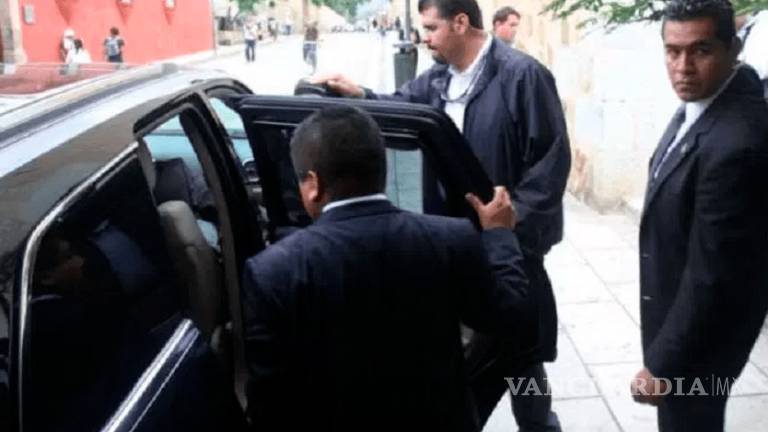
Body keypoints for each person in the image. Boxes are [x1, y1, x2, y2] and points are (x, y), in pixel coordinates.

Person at [313, 0, 570, 429]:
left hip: (507, 243)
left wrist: (509, 223)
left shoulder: (522, 76)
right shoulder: (436, 80)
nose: (424, 38)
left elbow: (550, 161)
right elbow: (400, 111)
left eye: (431, 28)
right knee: (461, 354)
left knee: (522, 354)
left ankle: (539, 425)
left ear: (461, 22)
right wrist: (360, 96)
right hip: (451, 244)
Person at [242, 104, 535, 431]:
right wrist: (499, 235)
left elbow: (269, 403)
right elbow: (510, 313)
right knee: (531, 390)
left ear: (312, 184)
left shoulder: (272, 271)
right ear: (383, 169)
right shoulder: (451, 239)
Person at [629, 1, 768, 430]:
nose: (683, 67)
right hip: (682, 317)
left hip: (702, 340)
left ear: (732, 49)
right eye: (672, 52)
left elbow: (712, 274)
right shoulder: (708, 100)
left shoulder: (737, 140)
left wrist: (662, 364)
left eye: (701, 50)